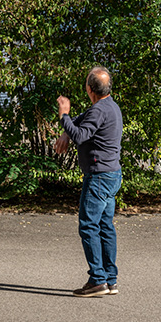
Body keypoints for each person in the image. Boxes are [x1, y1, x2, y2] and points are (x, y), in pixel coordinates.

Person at [55, 66, 123, 297]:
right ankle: (110, 279)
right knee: (105, 226)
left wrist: (64, 116)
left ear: (89, 89)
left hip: (99, 176)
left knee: (88, 225)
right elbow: (82, 121)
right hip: (112, 174)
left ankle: (97, 279)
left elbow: (81, 134)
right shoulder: (109, 107)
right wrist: (67, 130)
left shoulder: (98, 111)